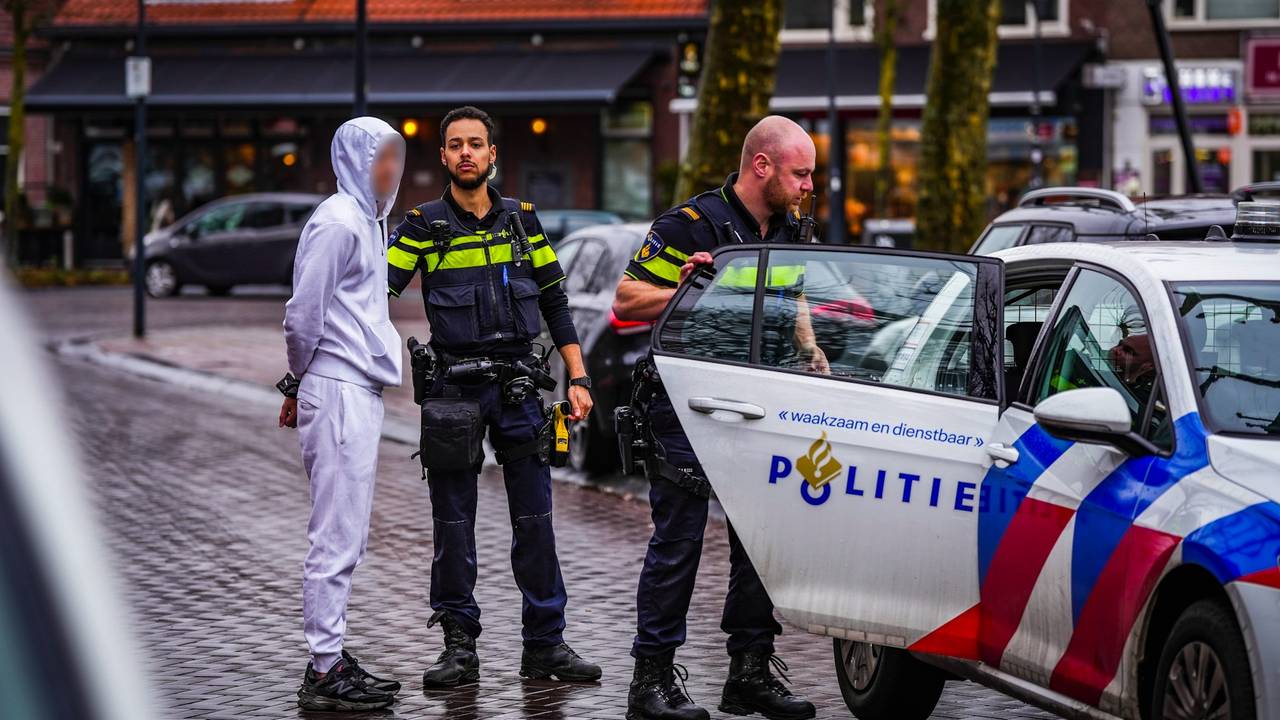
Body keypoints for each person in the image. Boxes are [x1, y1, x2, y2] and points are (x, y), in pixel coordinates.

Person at [612, 116, 822, 720]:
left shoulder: (790, 228)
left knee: (760, 541)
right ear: (762, 166)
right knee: (678, 541)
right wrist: (684, 287)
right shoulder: (688, 224)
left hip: (764, 402)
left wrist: (810, 348)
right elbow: (628, 299)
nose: (809, 185)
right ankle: (650, 683)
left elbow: (795, 295)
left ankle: (749, 673)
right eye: (800, 173)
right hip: (688, 404)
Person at [386, 105, 601, 687]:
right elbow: (374, 292)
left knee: (536, 520)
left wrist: (578, 378)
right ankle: (459, 648)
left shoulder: (523, 223)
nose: (465, 154)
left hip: (519, 391)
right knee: (453, 523)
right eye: (455, 145)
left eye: (475, 144)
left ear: (492, 154)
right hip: (454, 392)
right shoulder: (423, 225)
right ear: (443, 157)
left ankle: (546, 645)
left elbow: (555, 302)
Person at [279, 116, 406, 712]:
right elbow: (303, 314)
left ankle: (328, 658)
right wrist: (299, 381)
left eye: (395, 158)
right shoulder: (337, 223)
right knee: (335, 534)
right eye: (380, 158)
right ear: (354, 160)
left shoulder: (367, 221)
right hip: (337, 390)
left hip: (352, 389)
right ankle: (325, 667)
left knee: (347, 533)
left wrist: (296, 384)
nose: (390, 170)